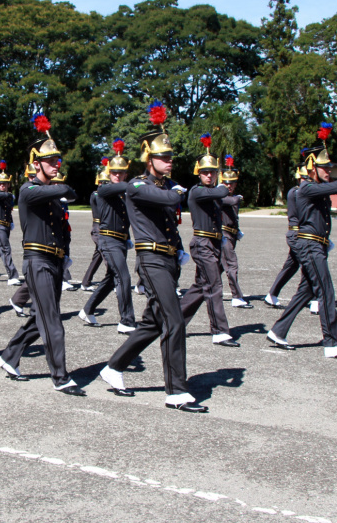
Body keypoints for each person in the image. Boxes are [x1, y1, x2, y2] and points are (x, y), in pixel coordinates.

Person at [99, 101, 206, 412]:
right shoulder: (136, 185)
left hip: (169, 261)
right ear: (149, 158)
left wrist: (179, 250)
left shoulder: (167, 185)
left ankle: (114, 367)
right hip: (151, 260)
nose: (169, 161)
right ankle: (177, 391)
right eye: (163, 157)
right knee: (175, 320)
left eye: (171, 157)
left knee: (153, 323)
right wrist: (178, 192)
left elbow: (171, 212)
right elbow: (170, 198)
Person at [0, 114, 84, 395]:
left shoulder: (51, 194)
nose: (56, 164)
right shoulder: (28, 190)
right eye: (50, 161)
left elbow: (66, 216)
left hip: (55, 261)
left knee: (41, 317)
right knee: (53, 321)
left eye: (58, 160)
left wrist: (65, 254)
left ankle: (9, 356)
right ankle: (60, 377)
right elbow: (67, 190)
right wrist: (59, 189)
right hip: (37, 262)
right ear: (36, 164)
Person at [266, 123, 337, 359]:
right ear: (311, 168)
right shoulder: (307, 188)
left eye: (329, 167)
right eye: (324, 167)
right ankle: (333, 343)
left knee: (305, 292)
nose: (328, 171)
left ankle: (278, 331)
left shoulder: (316, 188)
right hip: (310, 246)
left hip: (317, 245)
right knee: (326, 291)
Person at [179, 135, 238, 347]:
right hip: (202, 244)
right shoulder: (197, 191)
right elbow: (223, 191)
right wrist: (224, 185)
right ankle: (220, 331)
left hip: (213, 244)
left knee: (200, 286)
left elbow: (226, 198)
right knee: (214, 286)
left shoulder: (212, 193)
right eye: (205, 172)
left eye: (213, 171)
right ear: (199, 173)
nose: (209, 175)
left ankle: (175, 321)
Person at [78, 140, 136, 333]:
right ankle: (127, 321)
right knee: (123, 277)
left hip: (120, 241)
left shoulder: (125, 192)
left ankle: (88, 309)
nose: (117, 175)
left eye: (121, 172)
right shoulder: (104, 190)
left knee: (111, 278)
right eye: (114, 172)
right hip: (108, 240)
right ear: (109, 173)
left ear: (126, 174)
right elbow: (121, 188)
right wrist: (135, 184)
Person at [264, 169, 320, 314]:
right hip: (298, 234)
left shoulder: (297, 191)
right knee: (311, 266)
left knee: (291, 266)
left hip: (299, 233)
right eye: (305, 178)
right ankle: (315, 299)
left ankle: (272, 294)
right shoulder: (297, 192)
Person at [218, 158, 252, 309]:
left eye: (232, 183)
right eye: (226, 183)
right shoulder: (220, 196)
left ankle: (202, 291)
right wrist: (237, 198)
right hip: (223, 235)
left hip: (231, 235)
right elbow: (231, 202)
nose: (229, 185)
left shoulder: (232, 196)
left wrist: (237, 231)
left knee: (218, 267)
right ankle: (236, 296)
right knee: (232, 265)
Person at [6, 164, 38, 317]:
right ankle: (25, 304)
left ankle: (20, 300)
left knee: (40, 277)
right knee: (39, 276)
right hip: (34, 240)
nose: (33, 179)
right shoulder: (28, 190)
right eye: (31, 176)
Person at [79, 164, 106, 292]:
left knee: (98, 257)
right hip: (98, 228)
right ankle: (117, 281)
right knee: (108, 255)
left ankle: (86, 282)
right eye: (103, 182)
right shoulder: (96, 194)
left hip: (104, 228)